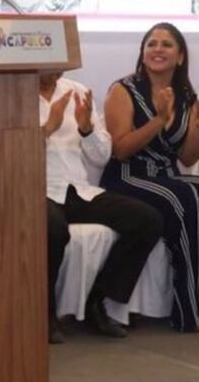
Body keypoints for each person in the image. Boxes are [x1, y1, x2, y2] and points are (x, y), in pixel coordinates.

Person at [101, 23, 199, 332]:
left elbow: (188, 158)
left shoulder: (188, 97)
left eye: (166, 44)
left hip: (166, 175)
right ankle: (188, 310)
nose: (157, 49)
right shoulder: (123, 90)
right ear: (143, 52)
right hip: (127, 176)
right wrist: (159, 119)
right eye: (151, 44)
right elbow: (120, 149)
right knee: (184, 197)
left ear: (180, 56)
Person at [41, 72, 162, 344]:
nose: (57, 71)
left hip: (78, 190)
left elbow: (101, 156)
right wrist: (47, 128)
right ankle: (44, 315)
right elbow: (7, 155)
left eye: (61, 66)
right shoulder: (8, 93)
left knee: (147, 220)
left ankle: (97, 300)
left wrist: (87, 129)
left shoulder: (77, 91)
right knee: (53, 230)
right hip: (35, 190)